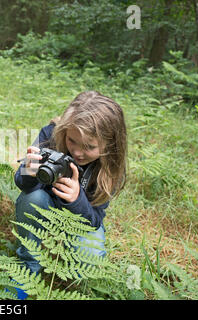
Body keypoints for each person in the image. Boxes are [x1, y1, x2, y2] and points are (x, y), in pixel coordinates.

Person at [13, 90, 128, 279]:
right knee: (32, 197)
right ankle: (27, 266)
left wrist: (76, 199)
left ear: (110, 145)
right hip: (44, 207)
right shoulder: (50, 135)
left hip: (81, 221)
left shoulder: (110, 165)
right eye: (71, 140)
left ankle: (67, 256)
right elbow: (23, 185)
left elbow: (94, 221)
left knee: (88, 265)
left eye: (89, 147)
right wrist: (29, 172)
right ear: (65, 129)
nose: (77, 152)